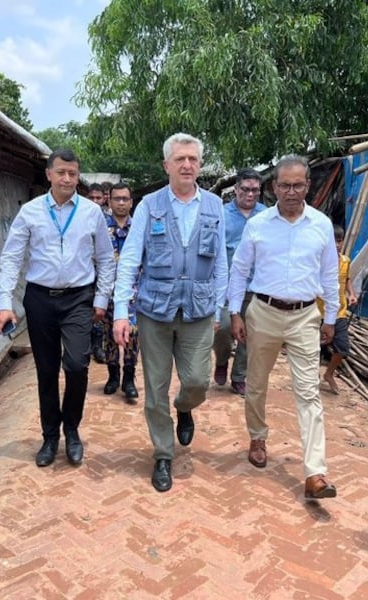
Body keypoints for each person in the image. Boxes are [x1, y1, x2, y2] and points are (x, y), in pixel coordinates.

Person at [113, 132, 228, 493]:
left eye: (193, 159)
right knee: (155, 389)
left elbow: (221, 260)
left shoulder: (214, 207)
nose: (187, 165)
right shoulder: (149, 205)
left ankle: (185, 407)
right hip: (155, 312)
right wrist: (121, 311)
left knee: (196, 381)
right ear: (167, 165)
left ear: (200, 164)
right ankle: (163, 454)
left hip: (198, 311)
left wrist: (219, 309)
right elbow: (131, 258)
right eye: (180, 159)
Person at [0, 149, 116, 468]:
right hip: (40, 299)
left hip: (78, 298)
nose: (66, 178)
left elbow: (105, 258)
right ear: (49, 174)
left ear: (78, 177)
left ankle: (72, 431)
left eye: (72, 173)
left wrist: (101, 299)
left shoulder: (91, 213)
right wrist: (3, 302)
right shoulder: (30, 212)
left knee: (77, 365)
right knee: (46, 371)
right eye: (61, 172)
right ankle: (50, 437)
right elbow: (11, 257)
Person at [229, 154, 340, 500]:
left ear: (307, 185)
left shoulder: (321, 225)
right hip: (262, 312)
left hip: (305, 316)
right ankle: (258, 436)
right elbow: (239, 270)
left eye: (298, 184)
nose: (291, 191)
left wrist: (332, 317)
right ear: (273, 187)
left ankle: (315, 472)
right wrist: (235, 312)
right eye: (284, 185)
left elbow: (329, 276)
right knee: (257, 383)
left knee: (308, 392)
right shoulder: (258, 226)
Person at [212, 168, 267, 396]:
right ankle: (222, 359)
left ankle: (239, 376)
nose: (250, 194)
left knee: (250, 332)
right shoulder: (222, 215)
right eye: (245, 189)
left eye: (255, 190)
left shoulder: (267, 216)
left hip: (255, 286)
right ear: (235, 189)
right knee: (223, 328)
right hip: (226, 285)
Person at [101, 182, 140, 404]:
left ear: (131, 202)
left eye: (125, 199)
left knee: (133, 337)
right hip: (107, 292)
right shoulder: (101, 227)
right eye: (117, 199)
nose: (122, 203)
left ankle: (129, 378)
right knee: (108, 336)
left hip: (134, 293)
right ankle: (113, 376)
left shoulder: (138, 227)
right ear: (110, 200)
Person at [319, 225, 357, 395]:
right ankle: (310, 378)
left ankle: (329, 374)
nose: (336, 244)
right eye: (333, 241)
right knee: (313, 348)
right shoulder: (318, 261)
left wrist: (352, 294)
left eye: (339, 241)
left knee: (342, 347)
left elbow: (347, 278)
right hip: (318, 311)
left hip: (339, 311)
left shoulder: (345, 261)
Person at [87, 183, 109, 364]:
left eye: (98, 198)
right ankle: (89, 346)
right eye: (91, 198)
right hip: (86, 273)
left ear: (105, 198)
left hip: (104, 273)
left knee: (101, 310)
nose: (95, 201)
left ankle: (99, 347)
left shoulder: (110, 220)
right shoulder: (82, 217)